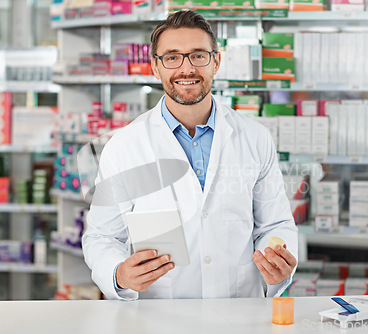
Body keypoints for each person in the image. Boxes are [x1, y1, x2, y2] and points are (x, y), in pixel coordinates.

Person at [82, 10, 298, 300]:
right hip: (161, 315)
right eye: (172, 57)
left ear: (216, 62)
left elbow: (276, 225)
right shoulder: (125, 146)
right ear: (156, 68)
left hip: (239, 310)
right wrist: (118, 274)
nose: (187, 69)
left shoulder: (254, 137)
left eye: (198, 55)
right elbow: (102, 236)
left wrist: (279, 262)